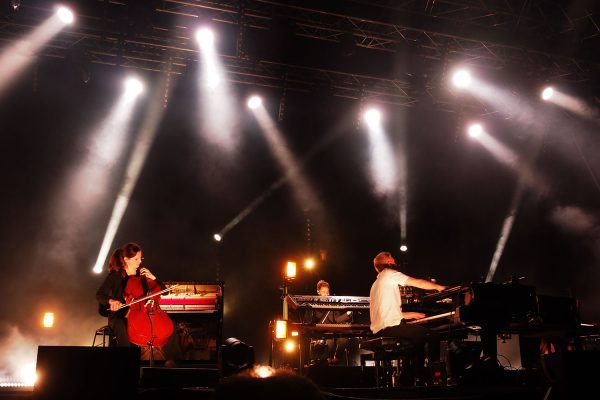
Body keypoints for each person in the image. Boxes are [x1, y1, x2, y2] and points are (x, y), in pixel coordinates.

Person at [369, 251, 447, 384]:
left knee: (416, 340)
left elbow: (388, 312)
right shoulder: (389, 273)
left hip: (381, 329)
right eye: (393, 261)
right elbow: (416, 282)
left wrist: (412, 315)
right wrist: (438, 287)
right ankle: (434, 378)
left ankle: (408, 378)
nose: (395, 263)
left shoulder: (376, 284)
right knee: (432, 336)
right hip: (390, 328)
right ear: (388, 263)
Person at [96, 242, 164, 347]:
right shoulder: (116, 275)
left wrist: (153, 277)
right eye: (136, 259)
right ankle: (127, 359)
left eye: (141, 258)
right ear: (126, 259)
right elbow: (100, 294)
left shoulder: (141, 275)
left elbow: (165, 291)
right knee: (121, 325)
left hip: (139, 314)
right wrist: (111, 301)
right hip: (119, 315)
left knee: (165, 325)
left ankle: (170, 360)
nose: (140, 261)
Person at [306, 280, 353, 364]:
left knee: (343, 340)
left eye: (327, 292)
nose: (326, 294)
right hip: (322, 331)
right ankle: (328, 360)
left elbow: (337, 320)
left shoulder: (333, 303)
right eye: (323, 292)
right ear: (318, 292)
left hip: (333, 330)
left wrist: (347, 314)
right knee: (329, 341)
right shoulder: (314, 305)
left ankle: (336, 359)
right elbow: (313, 319)